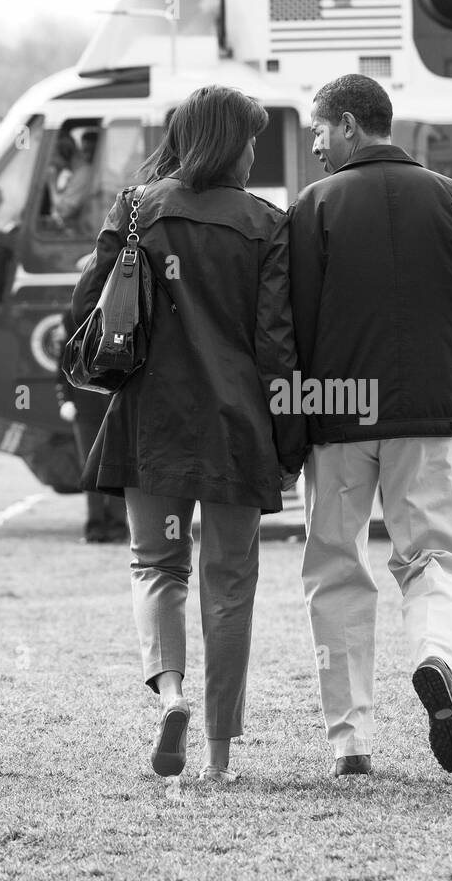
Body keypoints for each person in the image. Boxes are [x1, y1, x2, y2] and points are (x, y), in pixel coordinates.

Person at [71, 85, 308, 783]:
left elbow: (89, 310)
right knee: (230, 584)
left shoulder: (136, 207)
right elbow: (278, 347)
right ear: (231, 141)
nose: (256, 149)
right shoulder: (268, 222)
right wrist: (288, 444)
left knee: (157, 567)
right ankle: (219, 757)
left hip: (152, 425)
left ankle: (169, 694)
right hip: (237, 429)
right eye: (252, 137)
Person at [288, 74, 452, 778]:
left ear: (350, 124)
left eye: (319, 129)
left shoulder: (314, 206)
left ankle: (350, 741)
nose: (315, 144)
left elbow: (291, 318)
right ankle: (434, 658)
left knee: (336, 570)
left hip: (335, 414)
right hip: (428, 412)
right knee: (436, 556)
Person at [55, 308, 129, 543]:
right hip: (85, 406)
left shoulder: (124, 311)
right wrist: (65, 398)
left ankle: (117, 526)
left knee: (116, 466)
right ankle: (95, 526)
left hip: (115, 402)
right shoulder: (72, 315)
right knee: (90, 468)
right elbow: (63, 361)